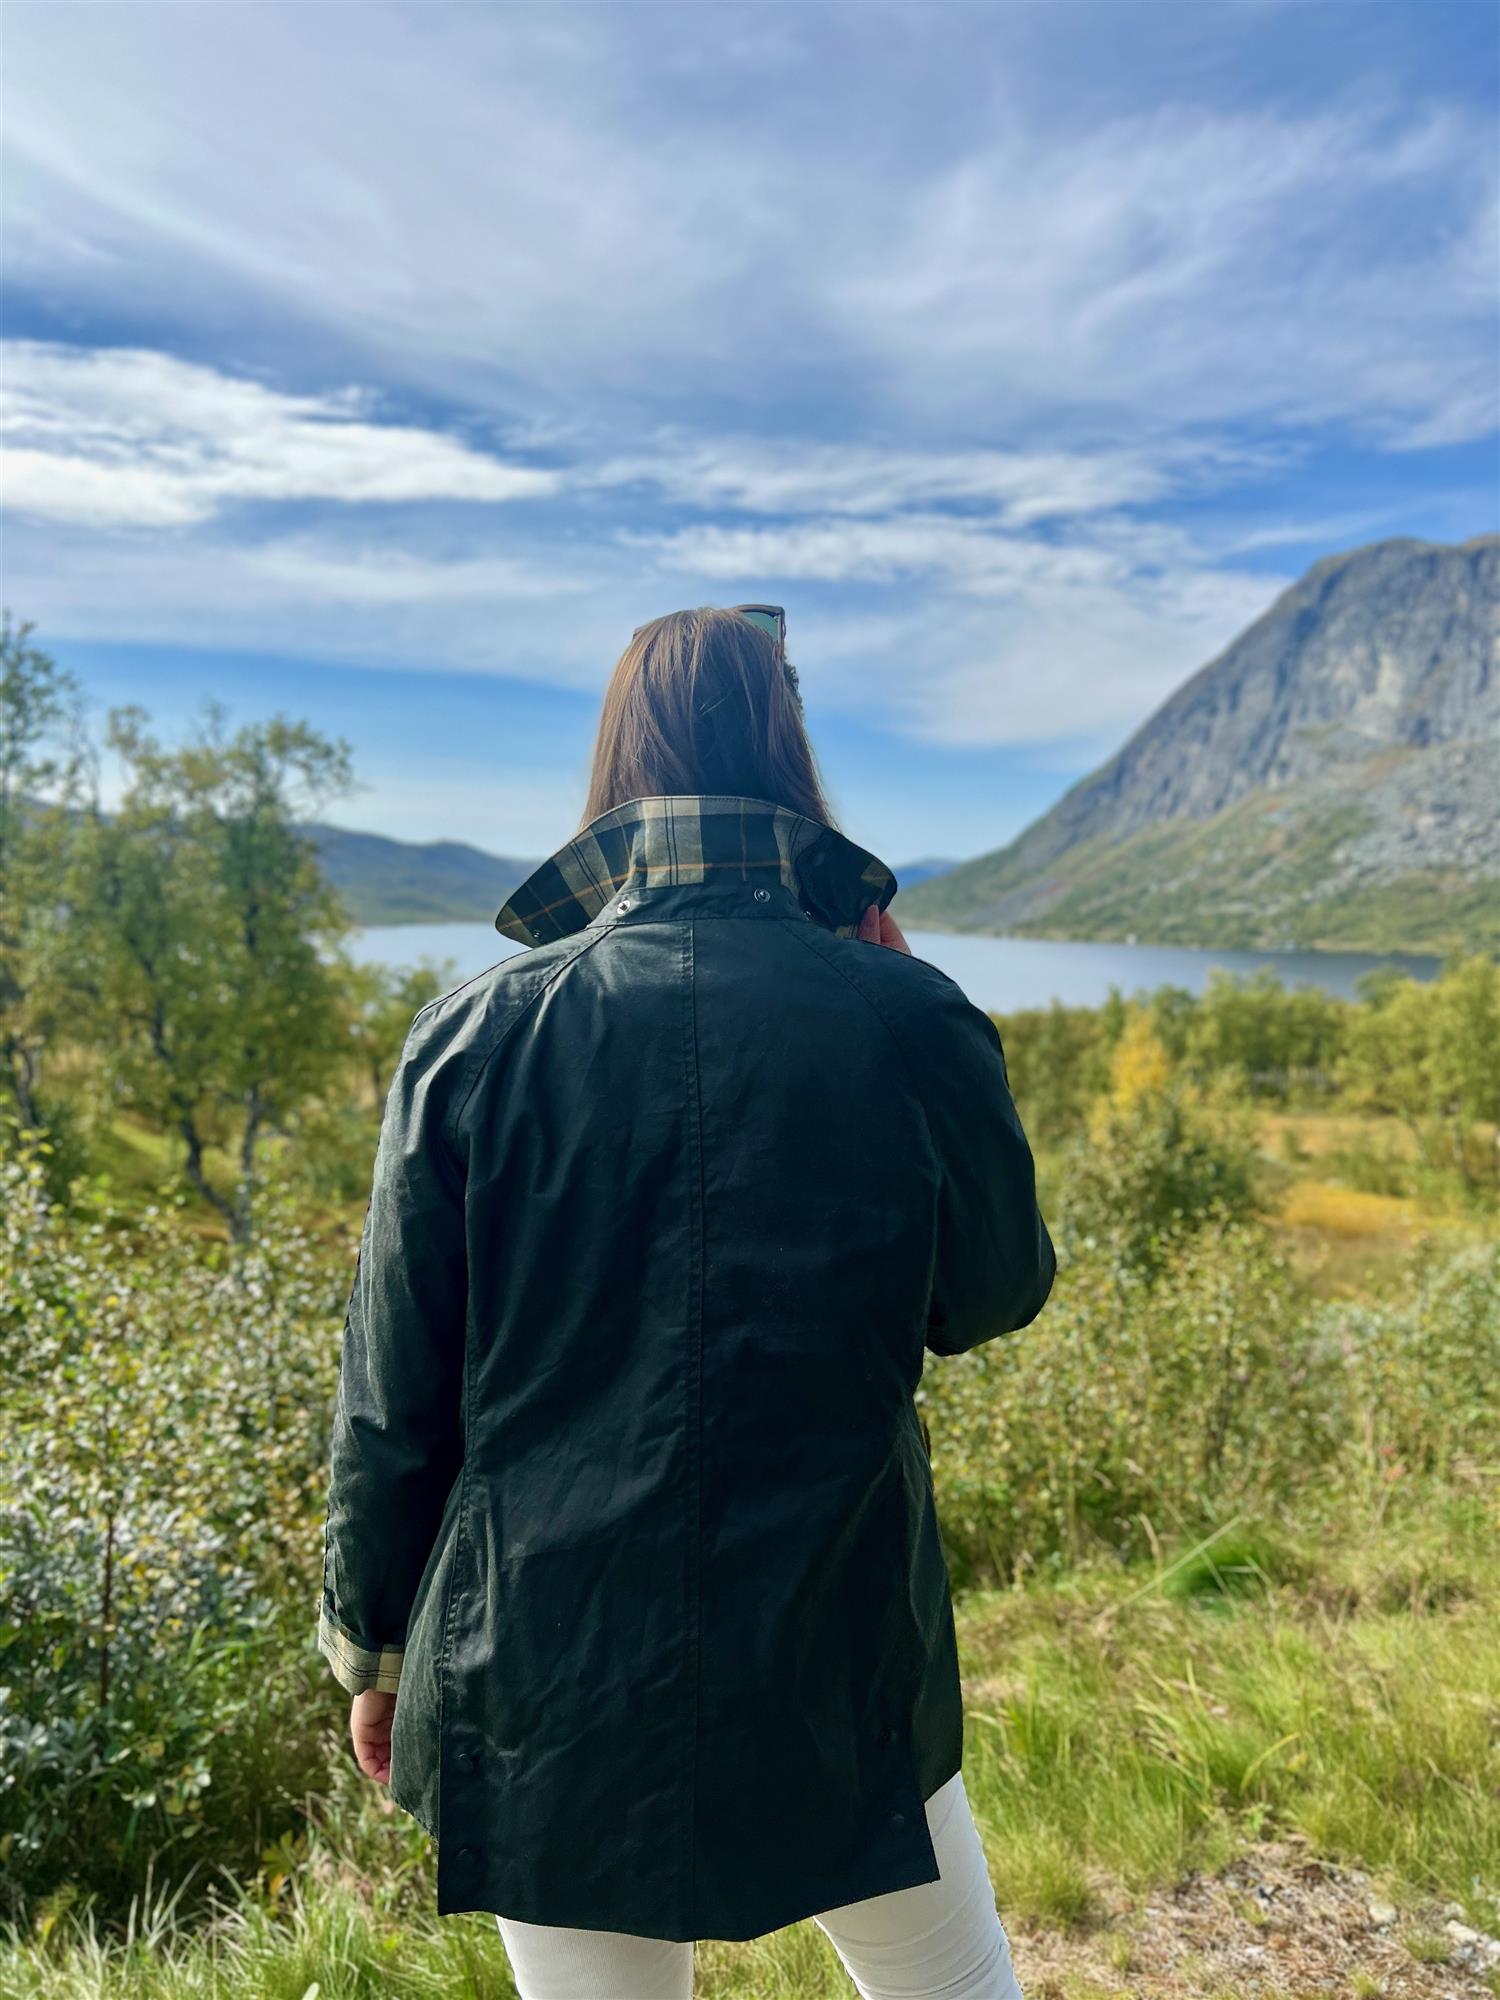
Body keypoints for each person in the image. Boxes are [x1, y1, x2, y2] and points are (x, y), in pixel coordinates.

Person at [317, 605, 1057, 1999]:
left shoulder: (472, 1035)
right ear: (791, 752)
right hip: (838, 1644)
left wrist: (376, 1647)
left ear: (615, 764)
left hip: (544, 1665)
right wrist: (926, 1033)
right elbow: (992, 1296)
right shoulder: (912, 1016)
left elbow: (392, 1395)